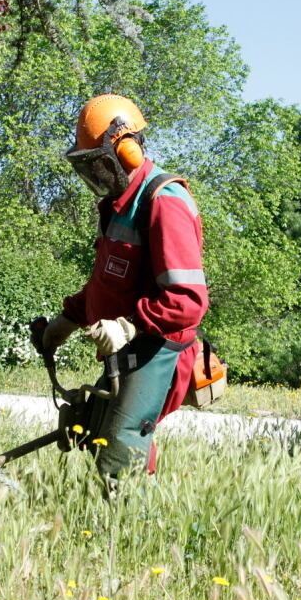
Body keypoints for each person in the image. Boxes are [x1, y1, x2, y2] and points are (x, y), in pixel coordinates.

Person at [42, 93, 208, 483]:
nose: (96, 175)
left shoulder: (163, 201)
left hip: (158, 349)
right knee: (95, 437)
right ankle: (103, 535)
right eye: (89, 166)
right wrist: (64, 322)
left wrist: (129, 326)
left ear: (127, 150)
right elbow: (108, 282)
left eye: (100, 163)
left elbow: (189, 301)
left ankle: (133, 534)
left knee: (120, 451)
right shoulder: (118, 204)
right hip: (128, 348)